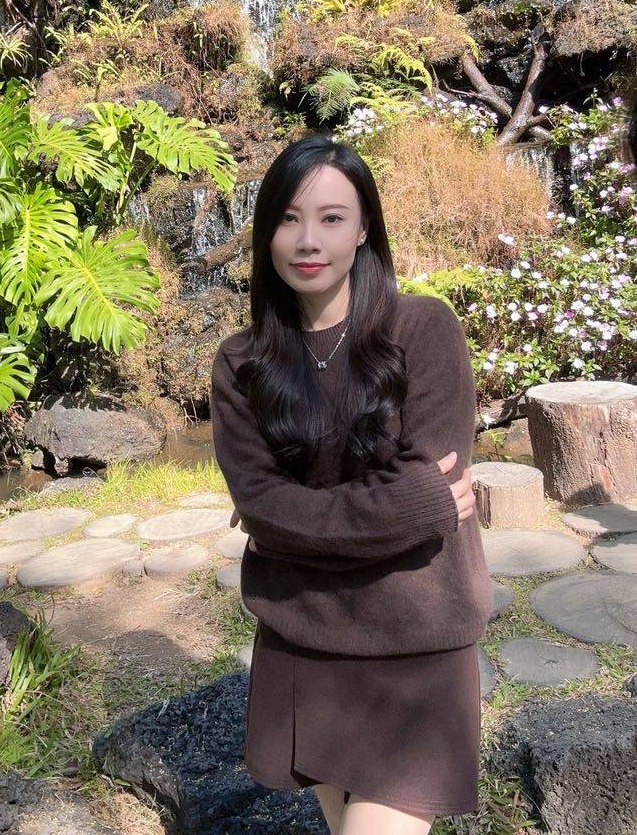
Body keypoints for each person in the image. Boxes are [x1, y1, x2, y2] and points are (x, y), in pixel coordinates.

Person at [209, 133, 495, 835]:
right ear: (266, 231)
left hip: (416, 643)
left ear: (364, 227)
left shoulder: (424, 330)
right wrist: (410, 509)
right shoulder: (243, 363)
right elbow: (266, 506)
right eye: (288, 218)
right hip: (306, 643)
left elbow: (286, 514)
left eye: (332, 218)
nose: (308, 240)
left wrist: (292, 527)